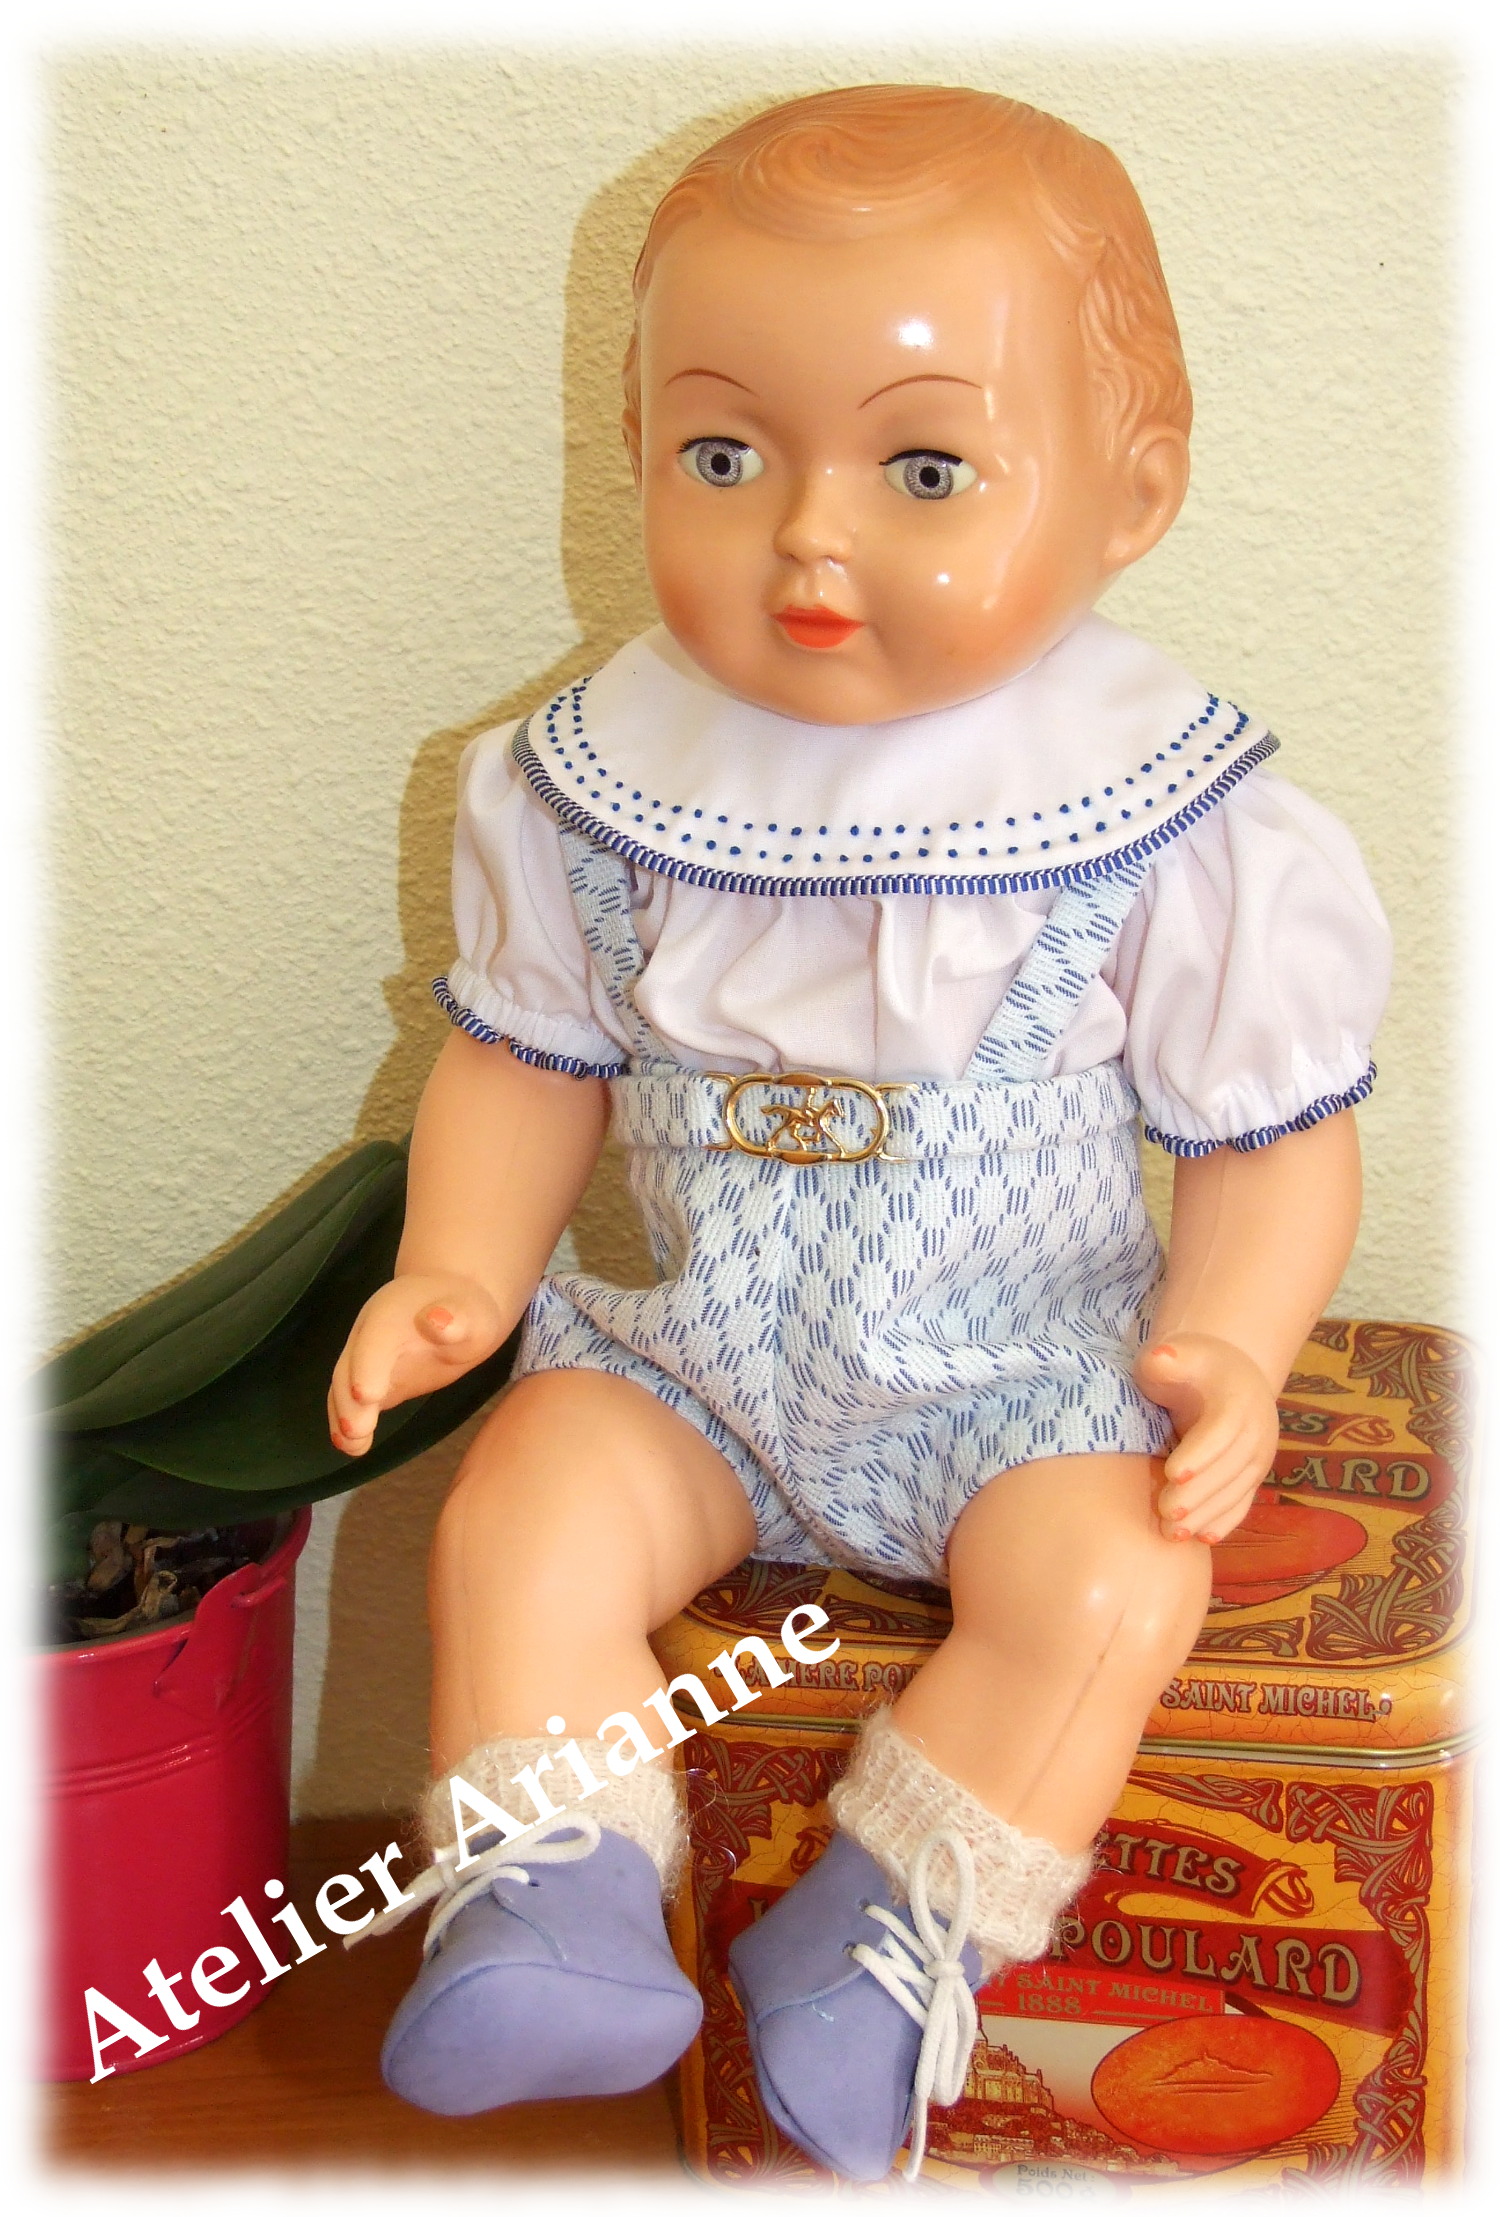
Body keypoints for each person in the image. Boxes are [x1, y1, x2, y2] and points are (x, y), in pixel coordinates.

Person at [326, 85, 1390, 2182]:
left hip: (1022, 1385)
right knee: (526, 1505)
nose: (809, 536)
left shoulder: (1171, 820)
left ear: (1132, 492)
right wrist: (459, 1264)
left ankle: (890, 1927)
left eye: (923, 469)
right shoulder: (584, 783)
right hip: (694, 1361)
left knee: (1110, 1583)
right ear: (634, 441)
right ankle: (554, 1893)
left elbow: (1267, 1135)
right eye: (724, 457)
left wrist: (1235, 1342)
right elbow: (528, 1059)